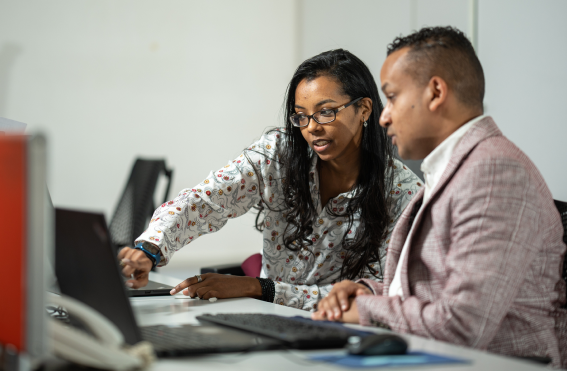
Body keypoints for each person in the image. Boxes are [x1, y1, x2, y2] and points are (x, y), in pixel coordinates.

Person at [313, 27, 567, 368]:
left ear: (435, 92)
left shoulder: (493, 171)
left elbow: (462, 325)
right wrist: (369, 292)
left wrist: (368, 311)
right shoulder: (455, 168)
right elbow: (435, 294)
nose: (384, 116)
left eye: (392, 97)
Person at [118, 49, 421, 311]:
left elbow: (381, 295)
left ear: (364, 109)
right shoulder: (279, 154)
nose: (311, 128)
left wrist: (260, 289)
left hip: (341, 333)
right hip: (269, 316)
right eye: (301, 116)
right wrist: (150, 249)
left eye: (325, 112)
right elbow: (206, 200)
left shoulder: (403, 193)